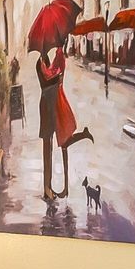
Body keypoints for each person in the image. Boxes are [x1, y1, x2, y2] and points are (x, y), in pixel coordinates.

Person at [36, 43, 93, 200]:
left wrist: (56, 69)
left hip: (53, 107)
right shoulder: (43, 63)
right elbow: (48, 78)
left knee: (62, 143)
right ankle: (48, 188)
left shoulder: (53, 61)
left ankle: (60, 188)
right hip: (47, 108)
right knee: (50, 147)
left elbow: (52, 75)